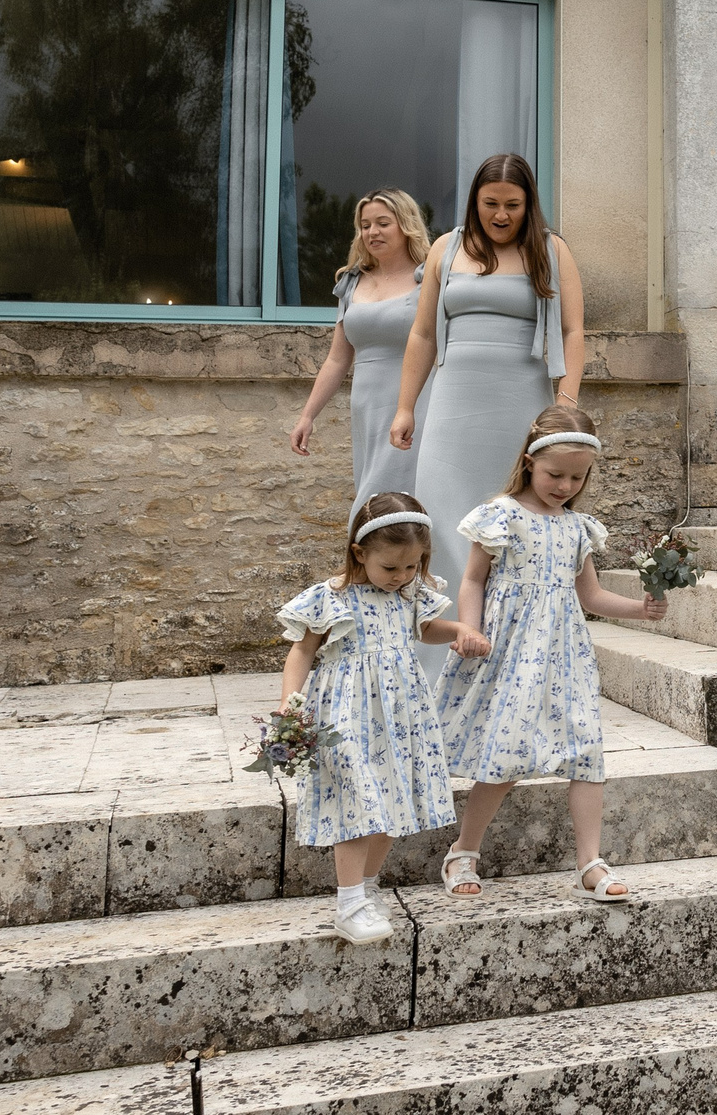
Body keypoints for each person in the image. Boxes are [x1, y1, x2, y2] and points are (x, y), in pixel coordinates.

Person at [431, 404, 669, 902]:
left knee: (586, 750)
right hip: (510, 648)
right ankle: (463, 851)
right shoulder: (502, 516)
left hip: (565, 654)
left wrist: (640, 609)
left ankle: (591, 862)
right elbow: (473, 579)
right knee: (508, 754)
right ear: (529, 462)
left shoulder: (577, 528)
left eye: (576, 478)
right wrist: (468, 629)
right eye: (554, 474)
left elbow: (590, 597)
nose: (564, 486)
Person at [275, 491, 487, 943]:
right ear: (359, 552)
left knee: (392, 800)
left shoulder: (411, 592)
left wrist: (462, 630)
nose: (401, 576)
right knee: (359, 800)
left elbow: (426, 629)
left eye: (412, 566)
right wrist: (289, 704)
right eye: (390, 567)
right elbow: (302, 652)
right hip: (346, 713)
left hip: (400, 712)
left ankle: (368, 887)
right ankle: (348, 901)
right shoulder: (332, 598)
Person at [392, 154, 583, 628]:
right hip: (453, 407)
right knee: (444, 516)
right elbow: (422, 335)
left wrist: (566, 404)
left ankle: (512, 648)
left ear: (529, 203)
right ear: (474, 201)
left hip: (522, 408)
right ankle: (448, 649)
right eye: (490, 203)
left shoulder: (552, 250)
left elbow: (573, 330)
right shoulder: (445, 248)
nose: (501, 215)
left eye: (513, 205)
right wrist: (405, 408)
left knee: (516, 522)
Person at [288, 190, 435, 516]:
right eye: (365, 225)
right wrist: (307, 416)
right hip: (367, 406)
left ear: (406, 225)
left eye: (383, 223)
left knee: (403, 498)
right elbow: (338, 358)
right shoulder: (351, 282)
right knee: (372, 494)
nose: (372, 232)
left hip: (418, 403)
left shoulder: (430, 279)